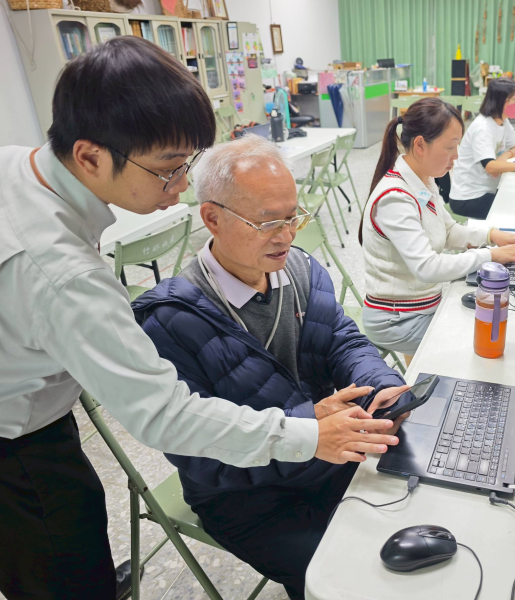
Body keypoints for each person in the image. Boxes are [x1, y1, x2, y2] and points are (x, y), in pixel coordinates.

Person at [0, 37, 397, 600]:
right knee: (62, 571)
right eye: (166, 169)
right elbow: (166, 418)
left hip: (289, 463)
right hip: (20, 436)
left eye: (186, 163)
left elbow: (341, 338)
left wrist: (371, 391)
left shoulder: (24, 170)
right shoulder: (73, 279)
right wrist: (309, 431)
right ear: (89, 155)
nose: (182, 185)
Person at [132, 134, 409, 599]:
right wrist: (309, 431)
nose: (286, 235)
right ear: (212, 219)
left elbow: (341, 339)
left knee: (411, 518)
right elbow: (199, 453)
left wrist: (381, 383)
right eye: (267, 222)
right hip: (246, 495)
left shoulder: (299, 270)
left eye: (292, 216)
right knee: (347, 578)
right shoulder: (171, 321)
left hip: (327, 452)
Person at [359, 97, 515, 361]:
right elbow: (427, 267)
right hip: (397, 320)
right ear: (420, 145)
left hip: (421, 305)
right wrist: (490, 255)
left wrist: (493, 236)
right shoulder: (395, 198)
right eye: (451, 147)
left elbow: (450, 231)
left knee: (488, 321)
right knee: (482, 337)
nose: (456, 158)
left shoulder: (423, 179)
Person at [448, 78, 515, 219]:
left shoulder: (502, 121)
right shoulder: (483, 128)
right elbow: (491, 167)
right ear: (502, 101)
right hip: (468, 198)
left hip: (486, 190)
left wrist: (504, 156)